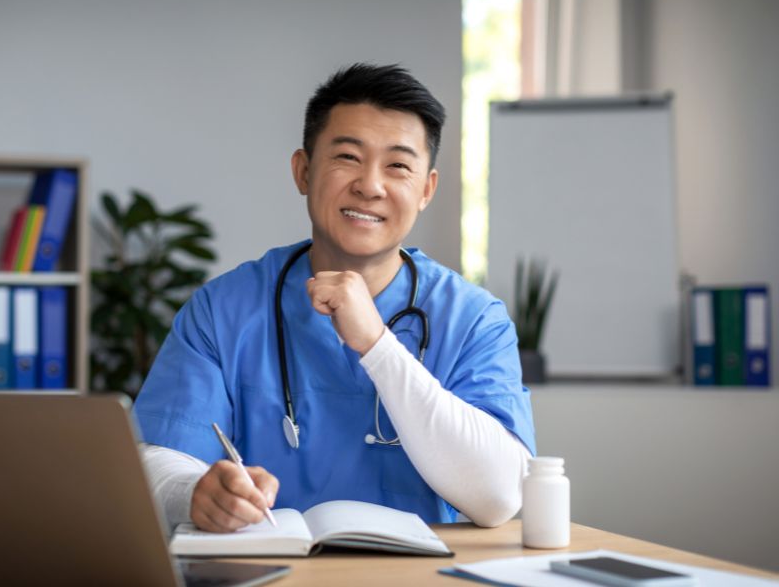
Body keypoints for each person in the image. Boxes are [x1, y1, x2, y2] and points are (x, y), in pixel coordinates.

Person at [134, 63, 536, 533]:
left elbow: (499, 497)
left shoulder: (473, 319)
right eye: (348, 157)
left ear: (426, 189)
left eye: (398, 166)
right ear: (304, 171)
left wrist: (378, 346)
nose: (370, 185)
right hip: (266, 566)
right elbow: (159, 455)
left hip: (416, 571)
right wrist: (194, 493)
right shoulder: (222, 310)